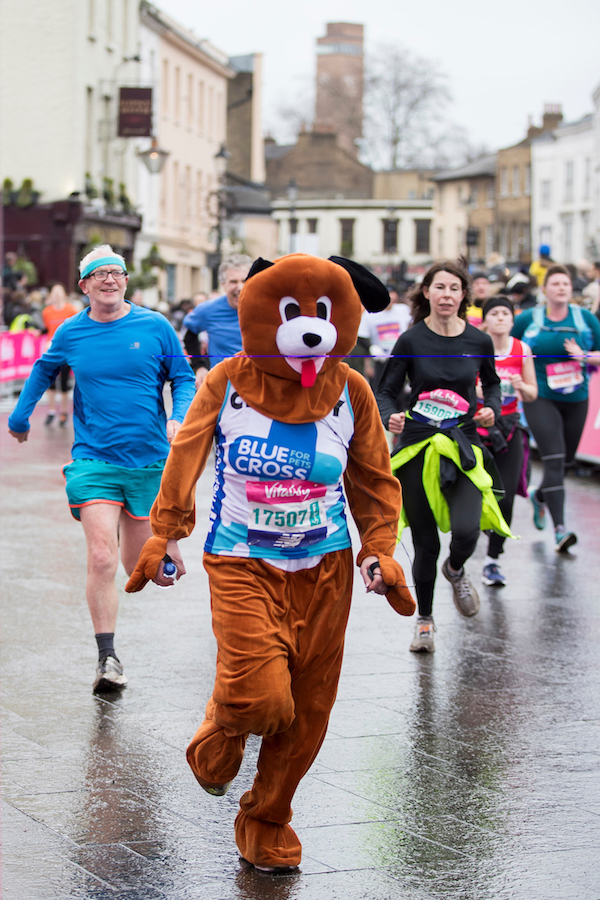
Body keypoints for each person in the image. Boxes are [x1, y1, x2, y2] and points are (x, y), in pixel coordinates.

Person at [125, 253, 414, 873]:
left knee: (308, 712)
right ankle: (227, 722)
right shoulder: (228, 380)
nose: (308, 328)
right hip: (242, 562)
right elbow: (186, 455)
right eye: (291, 313)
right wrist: (166, 533)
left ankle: (266, 818)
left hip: (326, 570)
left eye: (322, 313)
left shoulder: (352, 390)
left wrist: (378, 550)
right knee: (261, 698)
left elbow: (374, 480)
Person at [7, 244, 196, 692]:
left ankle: (158, 549)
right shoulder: (71, 332)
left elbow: (183, 378)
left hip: (149, 461)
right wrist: (20, 417)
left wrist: (178, 415)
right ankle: (107, 658)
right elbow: (43, 370)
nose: (109, 279)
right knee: (101, 556)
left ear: (126, 281)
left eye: (117, 272)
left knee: (141, 569)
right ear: (85, 285)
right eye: (99, 274)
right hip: (94, 460)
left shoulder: (155, 326)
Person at [377, 258, 510, 653]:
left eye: (454, 288)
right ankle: (425, 621)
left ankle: (455, 569)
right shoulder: (411, 340)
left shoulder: (479, 341)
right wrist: (389, 416)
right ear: (427, 292)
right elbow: (386, 391)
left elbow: (492, 384)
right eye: (440, 287)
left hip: (462, 443)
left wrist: (492, 408)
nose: (447, 295)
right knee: (425, 542)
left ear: (463, 295)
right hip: (418, 443)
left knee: (467, 530)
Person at [512, 265, 600, 551]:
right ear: (545, 289)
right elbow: (508, 347)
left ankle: (540, 497)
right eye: (556, 283)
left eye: (566, 284)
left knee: (565, 462)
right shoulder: (529, 319)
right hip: (540, 397)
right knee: (554, 458)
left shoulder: (585, 319)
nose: (562, 288)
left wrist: (584, 356)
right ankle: (560, 530)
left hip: (577, 398)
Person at [476, 296, 538, 585]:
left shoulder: (521, 349)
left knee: (507, 495)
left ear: (513, 320)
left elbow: (533, 393)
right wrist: (478, 391)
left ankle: (492, 560)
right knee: (476, 491)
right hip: (476, 427)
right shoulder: (475, 347)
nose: (500, 317)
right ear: (485, 320)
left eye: (505, 313)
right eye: (495, 313)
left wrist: (521, 385)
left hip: (509, 427)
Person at [183, 254, 252, 388]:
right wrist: (199, 366)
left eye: (244, 281)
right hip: (222, 385)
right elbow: (189, 334)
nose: (240, 287)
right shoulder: (208, 310)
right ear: (223, 284)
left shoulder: (264, 309)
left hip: (257, 384)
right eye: (233, 282)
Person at [358, 283, 411, 388]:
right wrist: (371, 348)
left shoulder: (404, 310)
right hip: (381, 359)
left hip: (401, 358)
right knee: (380, 387)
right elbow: (361, 336)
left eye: (393, 294)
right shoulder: (370, 313)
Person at [42, 283, 77, 426]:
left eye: (59, 291)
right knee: (50, 381)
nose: (56, 295)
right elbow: (47, 327)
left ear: (64, 294)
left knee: (64, 382)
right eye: (54, 292)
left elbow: (74, 329)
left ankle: (63, 412)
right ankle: (51, 411)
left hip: (66, 350)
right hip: (51, 349)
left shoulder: (71, 310)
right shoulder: (47, 312)